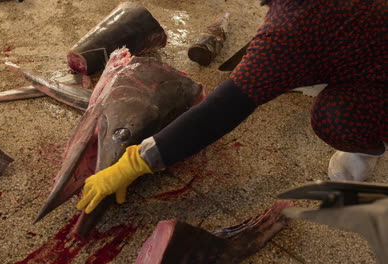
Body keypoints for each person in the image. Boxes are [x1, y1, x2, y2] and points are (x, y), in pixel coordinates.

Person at [77, 0, 386, 239]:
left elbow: (222, 110)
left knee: (336, 117)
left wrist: (137, 161)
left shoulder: (292, 30)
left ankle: (369, 143)